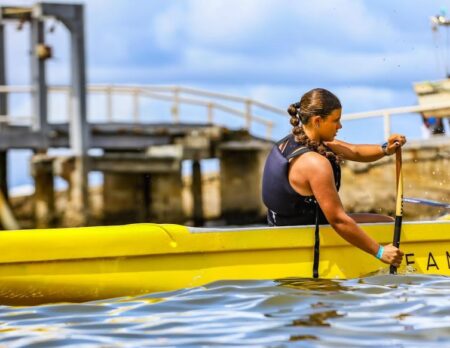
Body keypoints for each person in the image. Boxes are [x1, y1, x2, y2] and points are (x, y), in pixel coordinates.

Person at [262, 88, 404, 268]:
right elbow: (338, 220)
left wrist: (386, 149)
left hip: (287, 228)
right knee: (390, 226)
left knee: (387, 222)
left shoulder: (294, 141)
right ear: (317, 121)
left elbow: (356, 151)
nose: (340, 126)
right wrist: (380, 252)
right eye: (336, 120)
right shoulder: (314, 164)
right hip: (303, 240)